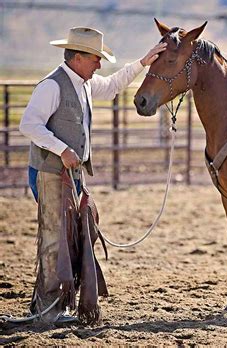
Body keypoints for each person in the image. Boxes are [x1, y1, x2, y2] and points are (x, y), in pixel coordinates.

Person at [19, 26, 166, 323]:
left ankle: (52, 306)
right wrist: (62, 149)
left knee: (68, 238)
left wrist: (143, 62)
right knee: (53, 238)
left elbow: (113, 85)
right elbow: (29, 125)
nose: (99, 64)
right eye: (95, 58)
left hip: (70, 175)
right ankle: (48, 311)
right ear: (77, 57)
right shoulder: (52, 86)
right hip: (50, 173)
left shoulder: (83, 83)